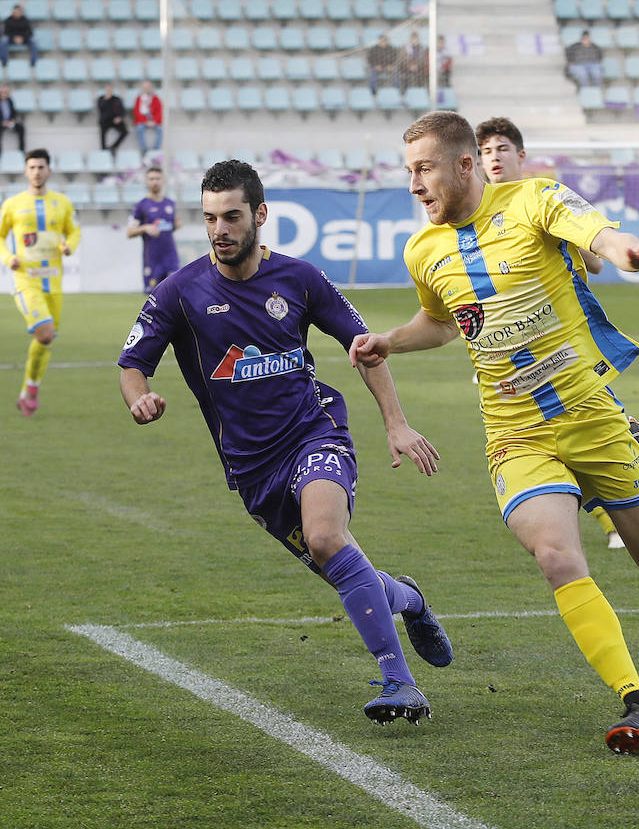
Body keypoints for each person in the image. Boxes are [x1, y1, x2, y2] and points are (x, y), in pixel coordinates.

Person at [353, 111, 639, 753]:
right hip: (515, 435)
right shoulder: (423, 250)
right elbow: (444, 322)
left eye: (424, 169)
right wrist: (390, 341)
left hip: (590, 416)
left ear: (465, 165)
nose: (415, 184)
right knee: (557, 555)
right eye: (409, 172)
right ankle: (637, 702)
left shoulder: (534, 199)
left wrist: (629, 252)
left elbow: (598, 232)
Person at [118, 159, 453, 724]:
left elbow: (366, 347)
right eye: (209, 218)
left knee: (326, 535)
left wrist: (395, 422)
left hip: (313, 431)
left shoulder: (300, 279)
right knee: (348, 575)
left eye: (231, 216)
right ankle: (410, 600)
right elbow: (132, 363)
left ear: (260, 215)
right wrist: (139, 398)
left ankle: (399, 682)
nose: (219, 230)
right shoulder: (179, 293)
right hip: (251, 470)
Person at [474, 116, 635, 550]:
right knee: (554, 433)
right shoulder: (472, 213)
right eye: (485, 151)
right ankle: (618, 484)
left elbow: (597, 262)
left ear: (520, 156)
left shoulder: (542, 198)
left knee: (577, 422)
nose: (493, 158)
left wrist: (570, 240)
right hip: (504, 346)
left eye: (501, 149)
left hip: (560, 335)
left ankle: (619, 500)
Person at [0, 149, 79, 417]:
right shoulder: (13, 204)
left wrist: (68, 246)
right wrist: (8, 257)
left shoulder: (62, 202)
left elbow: (73, 230)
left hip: (53, 282)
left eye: (41, 167)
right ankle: (31, 386)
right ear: (26, 171)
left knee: (46, 339)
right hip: (25, 280)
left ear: (48, 171)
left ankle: (31, 386)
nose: (37, 172)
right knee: (44, 332)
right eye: (32, 167)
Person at [125, 166, 180, 292]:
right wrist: (144, 227)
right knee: (153, 296)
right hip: (152, 258)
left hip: (171, 256)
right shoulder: (141, 206)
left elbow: (171, 226)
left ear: (163, 181)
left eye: (157, 178)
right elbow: (129, 232)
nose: (155, 181)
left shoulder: (170, 204)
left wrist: (177, 225)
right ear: (146, 182)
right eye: (151, 179)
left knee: (176, 292)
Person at [0, 85, 26, 157]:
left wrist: (12, 120)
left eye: (6, 92)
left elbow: (13, 112)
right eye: (2, 92)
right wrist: (1, 122)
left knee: (21, 127)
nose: (4, 94)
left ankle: (21, 151)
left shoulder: (9, 100)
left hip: (8, 122)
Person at [133, 80, 163, 154]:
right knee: (139, 128)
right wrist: (145, 121)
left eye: (148, 87)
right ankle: (144, 150)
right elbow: (136, 112)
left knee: (161, 129)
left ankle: (155, 149)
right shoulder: (139, 98)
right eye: (145, 87)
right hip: (143, 120)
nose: (146, 89)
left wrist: (154, 121)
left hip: (154, 121)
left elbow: (159, 111)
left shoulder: (155, 98)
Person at [97, 83, 128, 153]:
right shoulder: (101, 99)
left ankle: (114, 146)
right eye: (107, 89)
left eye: (110, 88)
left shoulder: (116, 99)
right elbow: (101, 108)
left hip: (115, 120)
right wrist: (107, 99)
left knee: (125, 131)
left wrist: (120, 118)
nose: (108, 90)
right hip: (105, 120)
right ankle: (103, 149)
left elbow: (122, 110)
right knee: (102, 131)